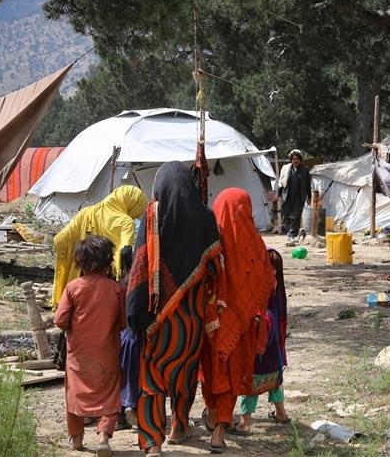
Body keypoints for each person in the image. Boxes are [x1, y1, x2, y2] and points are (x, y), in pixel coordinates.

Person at [125, 162, 224, 457]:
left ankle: (153, 444)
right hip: (191, 321)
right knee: (184, 376)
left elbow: (141, 264)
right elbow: (215, 270)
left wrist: (134, 313)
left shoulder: (153, 215)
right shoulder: (205, 218)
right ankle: (179, 427)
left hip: (158, 318)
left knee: (152, 381)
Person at [202, 188, 275, 454]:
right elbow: (268, 282)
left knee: (212, 372)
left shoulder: (210, 243)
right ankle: (219, 431)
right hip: (241, 325)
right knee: (232, 376)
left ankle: (212, 416)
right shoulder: (256, 244)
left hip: (212, 323)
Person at [54, 235, 126, 457]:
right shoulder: (116, 289)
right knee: (110, 393)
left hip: (78, 354)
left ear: (80, 261)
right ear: (108, 261)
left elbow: (60, 320)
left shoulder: (73, 287)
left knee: (75, 393)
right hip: (107, 353)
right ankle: (103, 438)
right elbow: (124, 323)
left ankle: (77, 439)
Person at [51, 185, 147, 307]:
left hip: (82, 272)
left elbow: (60, 239)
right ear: (132, 203)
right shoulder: (126, 222)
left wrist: (71, 254)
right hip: (107, 277)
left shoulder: (86, 212)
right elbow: (125, 251)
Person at [231, 248, 291, 435]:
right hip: (273, 343)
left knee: (251, 382)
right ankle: (281, 414)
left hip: (262, 341)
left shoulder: (265, 285)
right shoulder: (276, 286)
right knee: (274, 381)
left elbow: (262, 311)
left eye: (270, 267)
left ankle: (244, 423)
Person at [277, 149, 311, 240]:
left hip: (299, 197)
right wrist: (279, 194)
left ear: (300, 160)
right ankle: (292, 231)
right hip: (287, 196)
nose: (295, 161)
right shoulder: (286, 169)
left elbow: (308, 184)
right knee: (286, 215)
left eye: (297, 159)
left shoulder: (304, 170)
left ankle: (292, 233)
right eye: (294, 159)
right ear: (291, 160)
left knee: (296, 216)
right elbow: (281, 182)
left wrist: (309, 196)